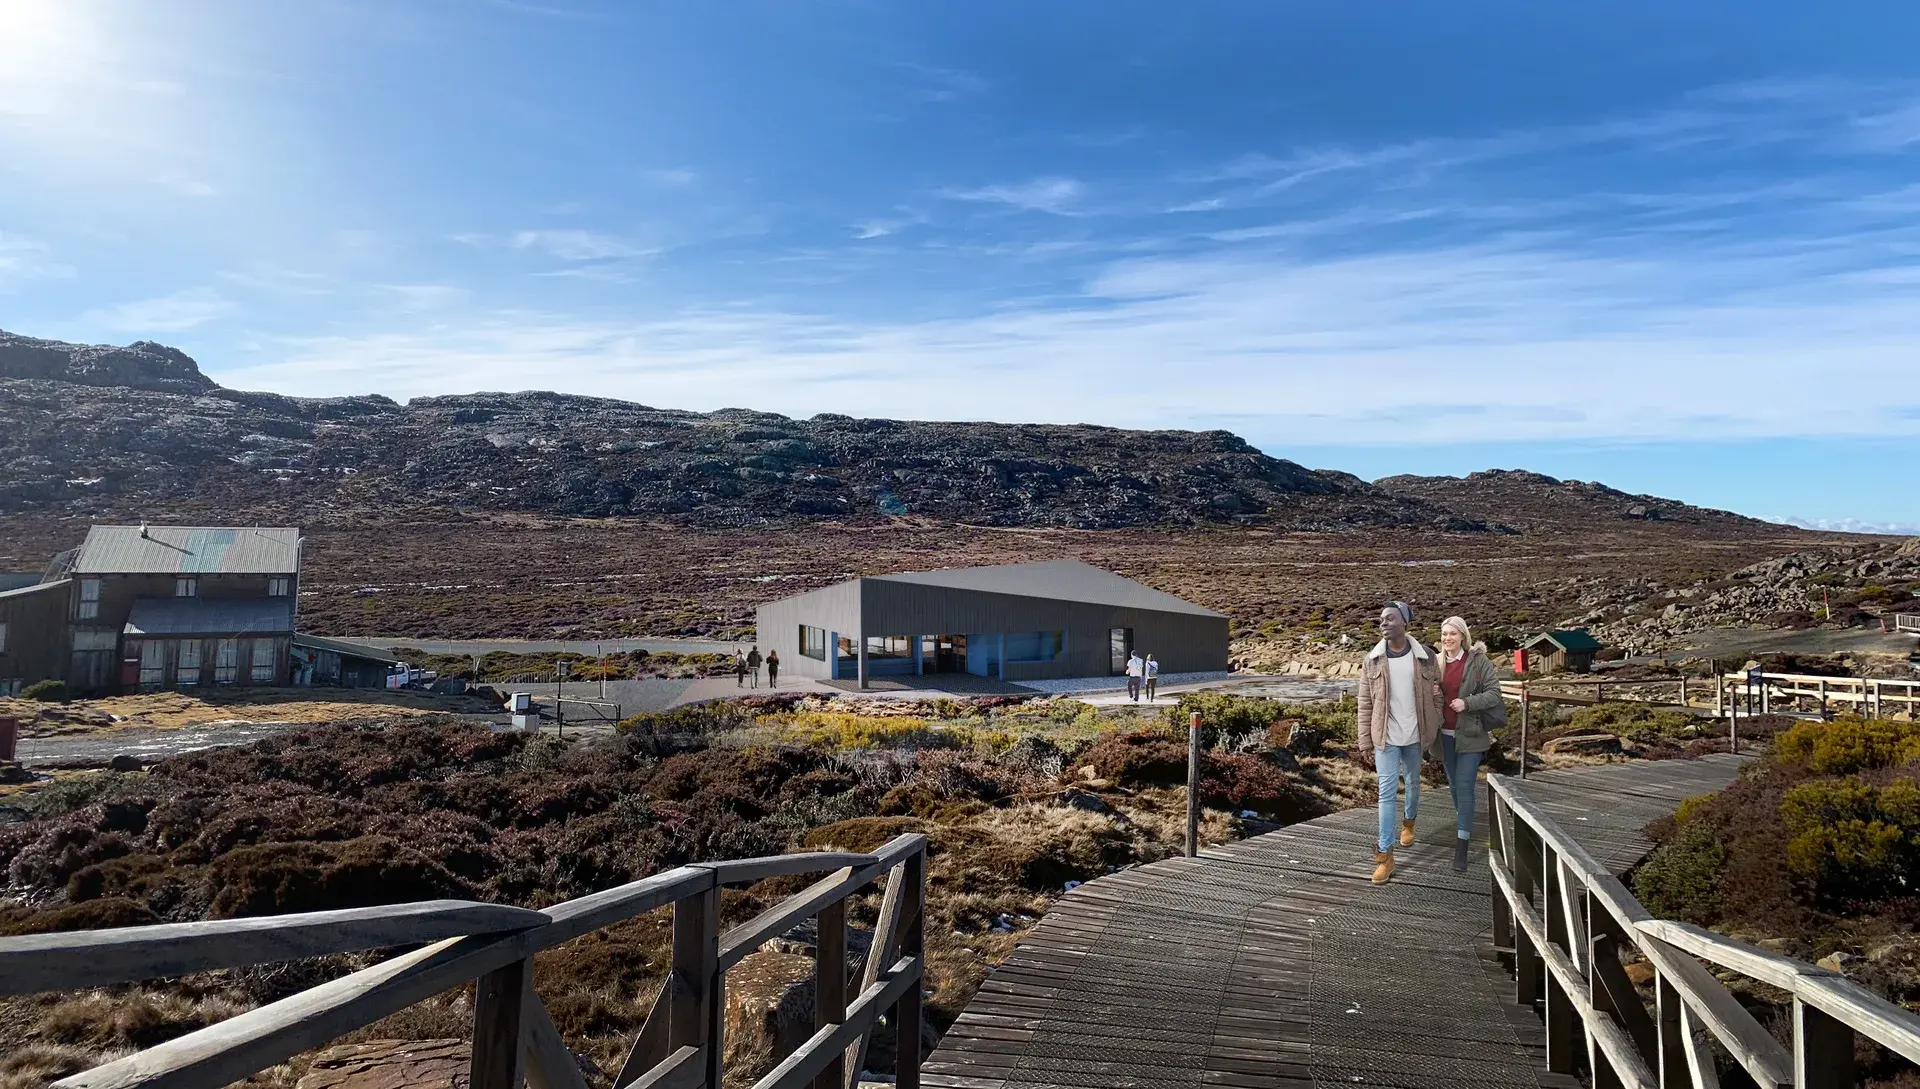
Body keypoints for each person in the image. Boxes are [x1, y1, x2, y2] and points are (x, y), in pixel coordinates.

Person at [1355, 600, 1442, 884]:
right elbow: (1364, 703)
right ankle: (1385, 857)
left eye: (1390, 618)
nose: (1383, 623)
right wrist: (1365, 742)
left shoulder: (1426, 656)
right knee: (1386, 793)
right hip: (1386, 738)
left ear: (1405, 623)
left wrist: (1436, 720)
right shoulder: (1372, 660)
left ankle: (1409, 822)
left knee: (1414, 783)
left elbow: (1437, 694)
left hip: (1415, 736)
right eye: (1381, 619)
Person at [1438, 615, 1502, 871]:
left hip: (1472, 735)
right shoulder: (1437, 662)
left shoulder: (1478, 662)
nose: (1447, 638)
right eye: (1444, 634)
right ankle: (1464, 822)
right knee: (1454, 786)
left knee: (1464, 786)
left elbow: (1494, 693)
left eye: (1452, 634)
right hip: (1444, 736)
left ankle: (1461, 846)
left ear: (1463, 636)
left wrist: (1468, 703)